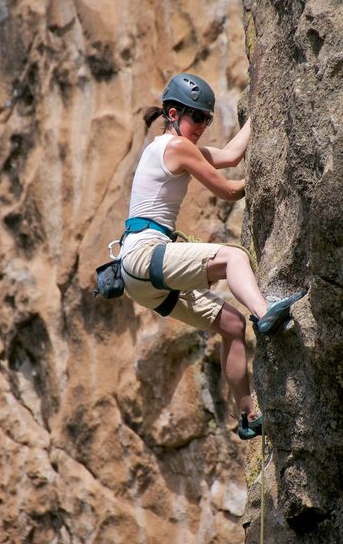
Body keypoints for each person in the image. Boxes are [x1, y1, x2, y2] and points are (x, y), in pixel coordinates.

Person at [120, 73, 305, 440]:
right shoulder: (175, 147)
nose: (203, 125)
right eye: (196, 118)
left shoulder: (174, 147)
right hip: (145, 255)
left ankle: (248, 416)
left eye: (207, 118)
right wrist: (277, 172)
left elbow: (232, 154)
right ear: (173, 114)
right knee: (234, 257)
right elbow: (230, 191)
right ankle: (265, 312)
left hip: (139, 279)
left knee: (232, 326)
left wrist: (263, 104)